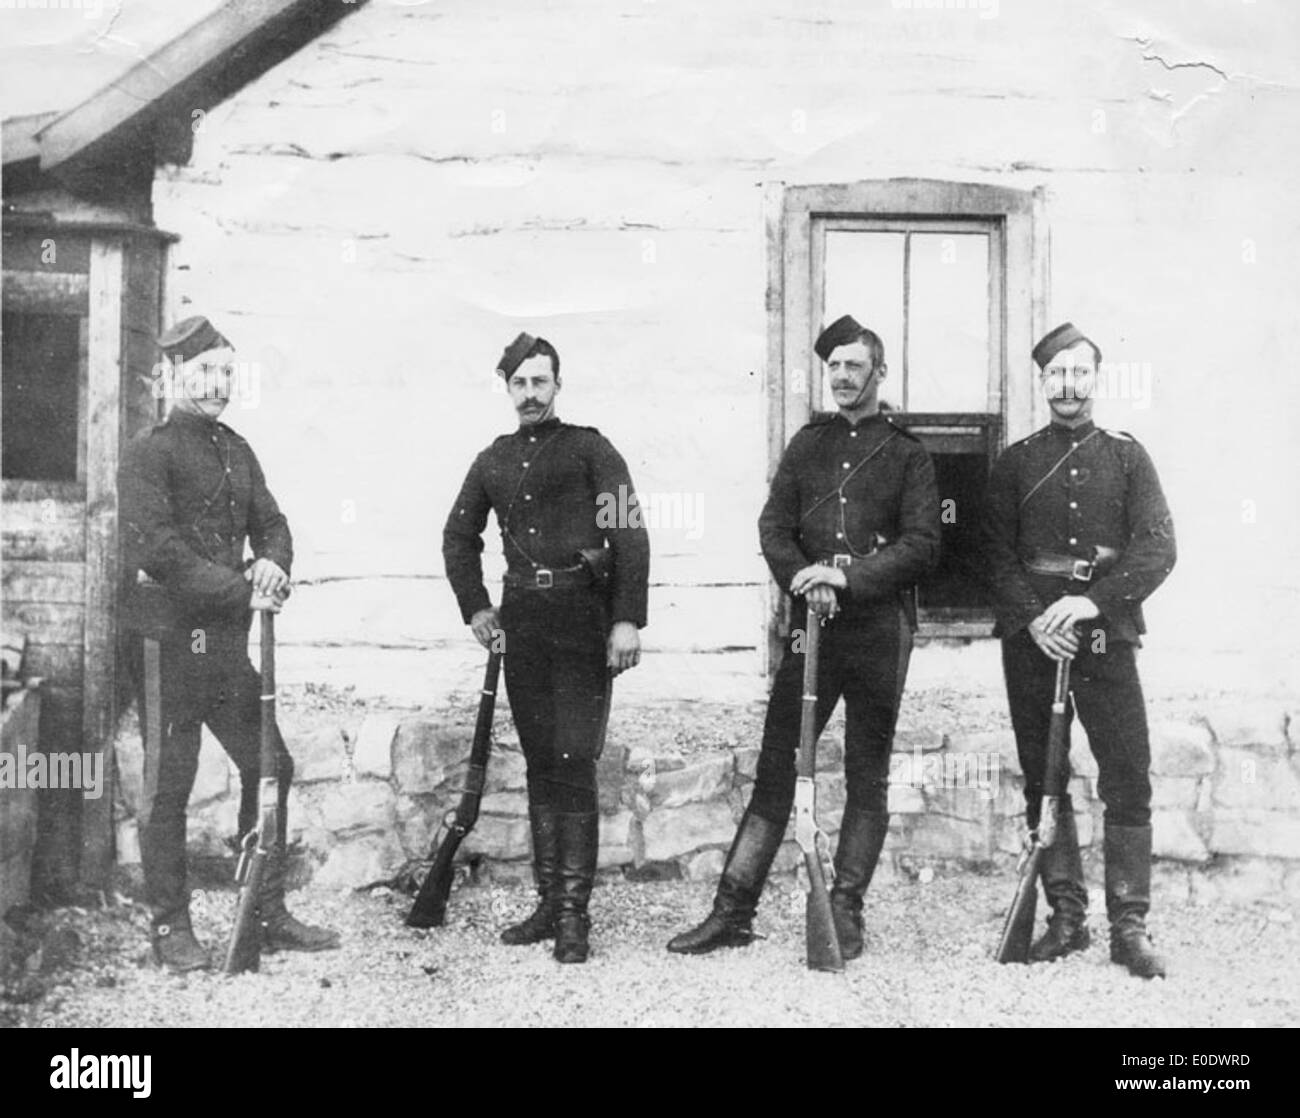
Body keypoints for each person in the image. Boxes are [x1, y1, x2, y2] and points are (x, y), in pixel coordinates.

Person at [668, 314, 939, 960]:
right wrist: (803, 578)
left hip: (877, 632)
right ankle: (732, 911)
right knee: (775, 771)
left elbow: (924, 545)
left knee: (866, 775)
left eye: (854, 365)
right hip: (809, 632)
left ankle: (843, 910)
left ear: (880, 371)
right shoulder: (806, 445)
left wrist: (845, 580)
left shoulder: (908, 454)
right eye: (834, 367)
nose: (843, 377)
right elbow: (773, 528)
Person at [119, 315, 340, 971]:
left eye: (225, 371)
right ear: (171, 377)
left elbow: (272, 522)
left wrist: (272, 562)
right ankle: (170, 930)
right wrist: (244, 588)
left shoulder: (237, 449)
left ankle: (264, 909)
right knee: (169, 788)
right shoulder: (147, 454)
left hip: (222, 647)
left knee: (272, 765)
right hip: (164, 643)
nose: (217, 384)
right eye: (203, 372)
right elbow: (158, 551)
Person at [443, 332, 650, 963]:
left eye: (540, 381)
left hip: (585, 624)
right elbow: (457, 537)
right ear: (506, 389)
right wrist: (477, 607)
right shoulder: (492, 460)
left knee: (574, 763)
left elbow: (630, 537)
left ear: (558, 384)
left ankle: (573, 917)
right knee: (540, 763)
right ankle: (546, 902)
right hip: (524, 626)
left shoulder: (591, 449)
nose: (530, 394)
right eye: (518, 383)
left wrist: (626, 621)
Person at [983, 322, 1176, 978]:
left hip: (1104, 638)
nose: (1067, 385)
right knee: (1046, 779)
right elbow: (994, 553)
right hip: (1034, 644)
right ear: (1042, 383)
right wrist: (1035, 619)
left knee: (1127, 776)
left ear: (1097, 379)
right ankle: (1066, 918)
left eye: (1079, 373)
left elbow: (1157, 545)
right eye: (1055, 374)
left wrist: (1093, 602)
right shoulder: (1015, 462)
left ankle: (1130, 925)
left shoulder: (1128, 457)